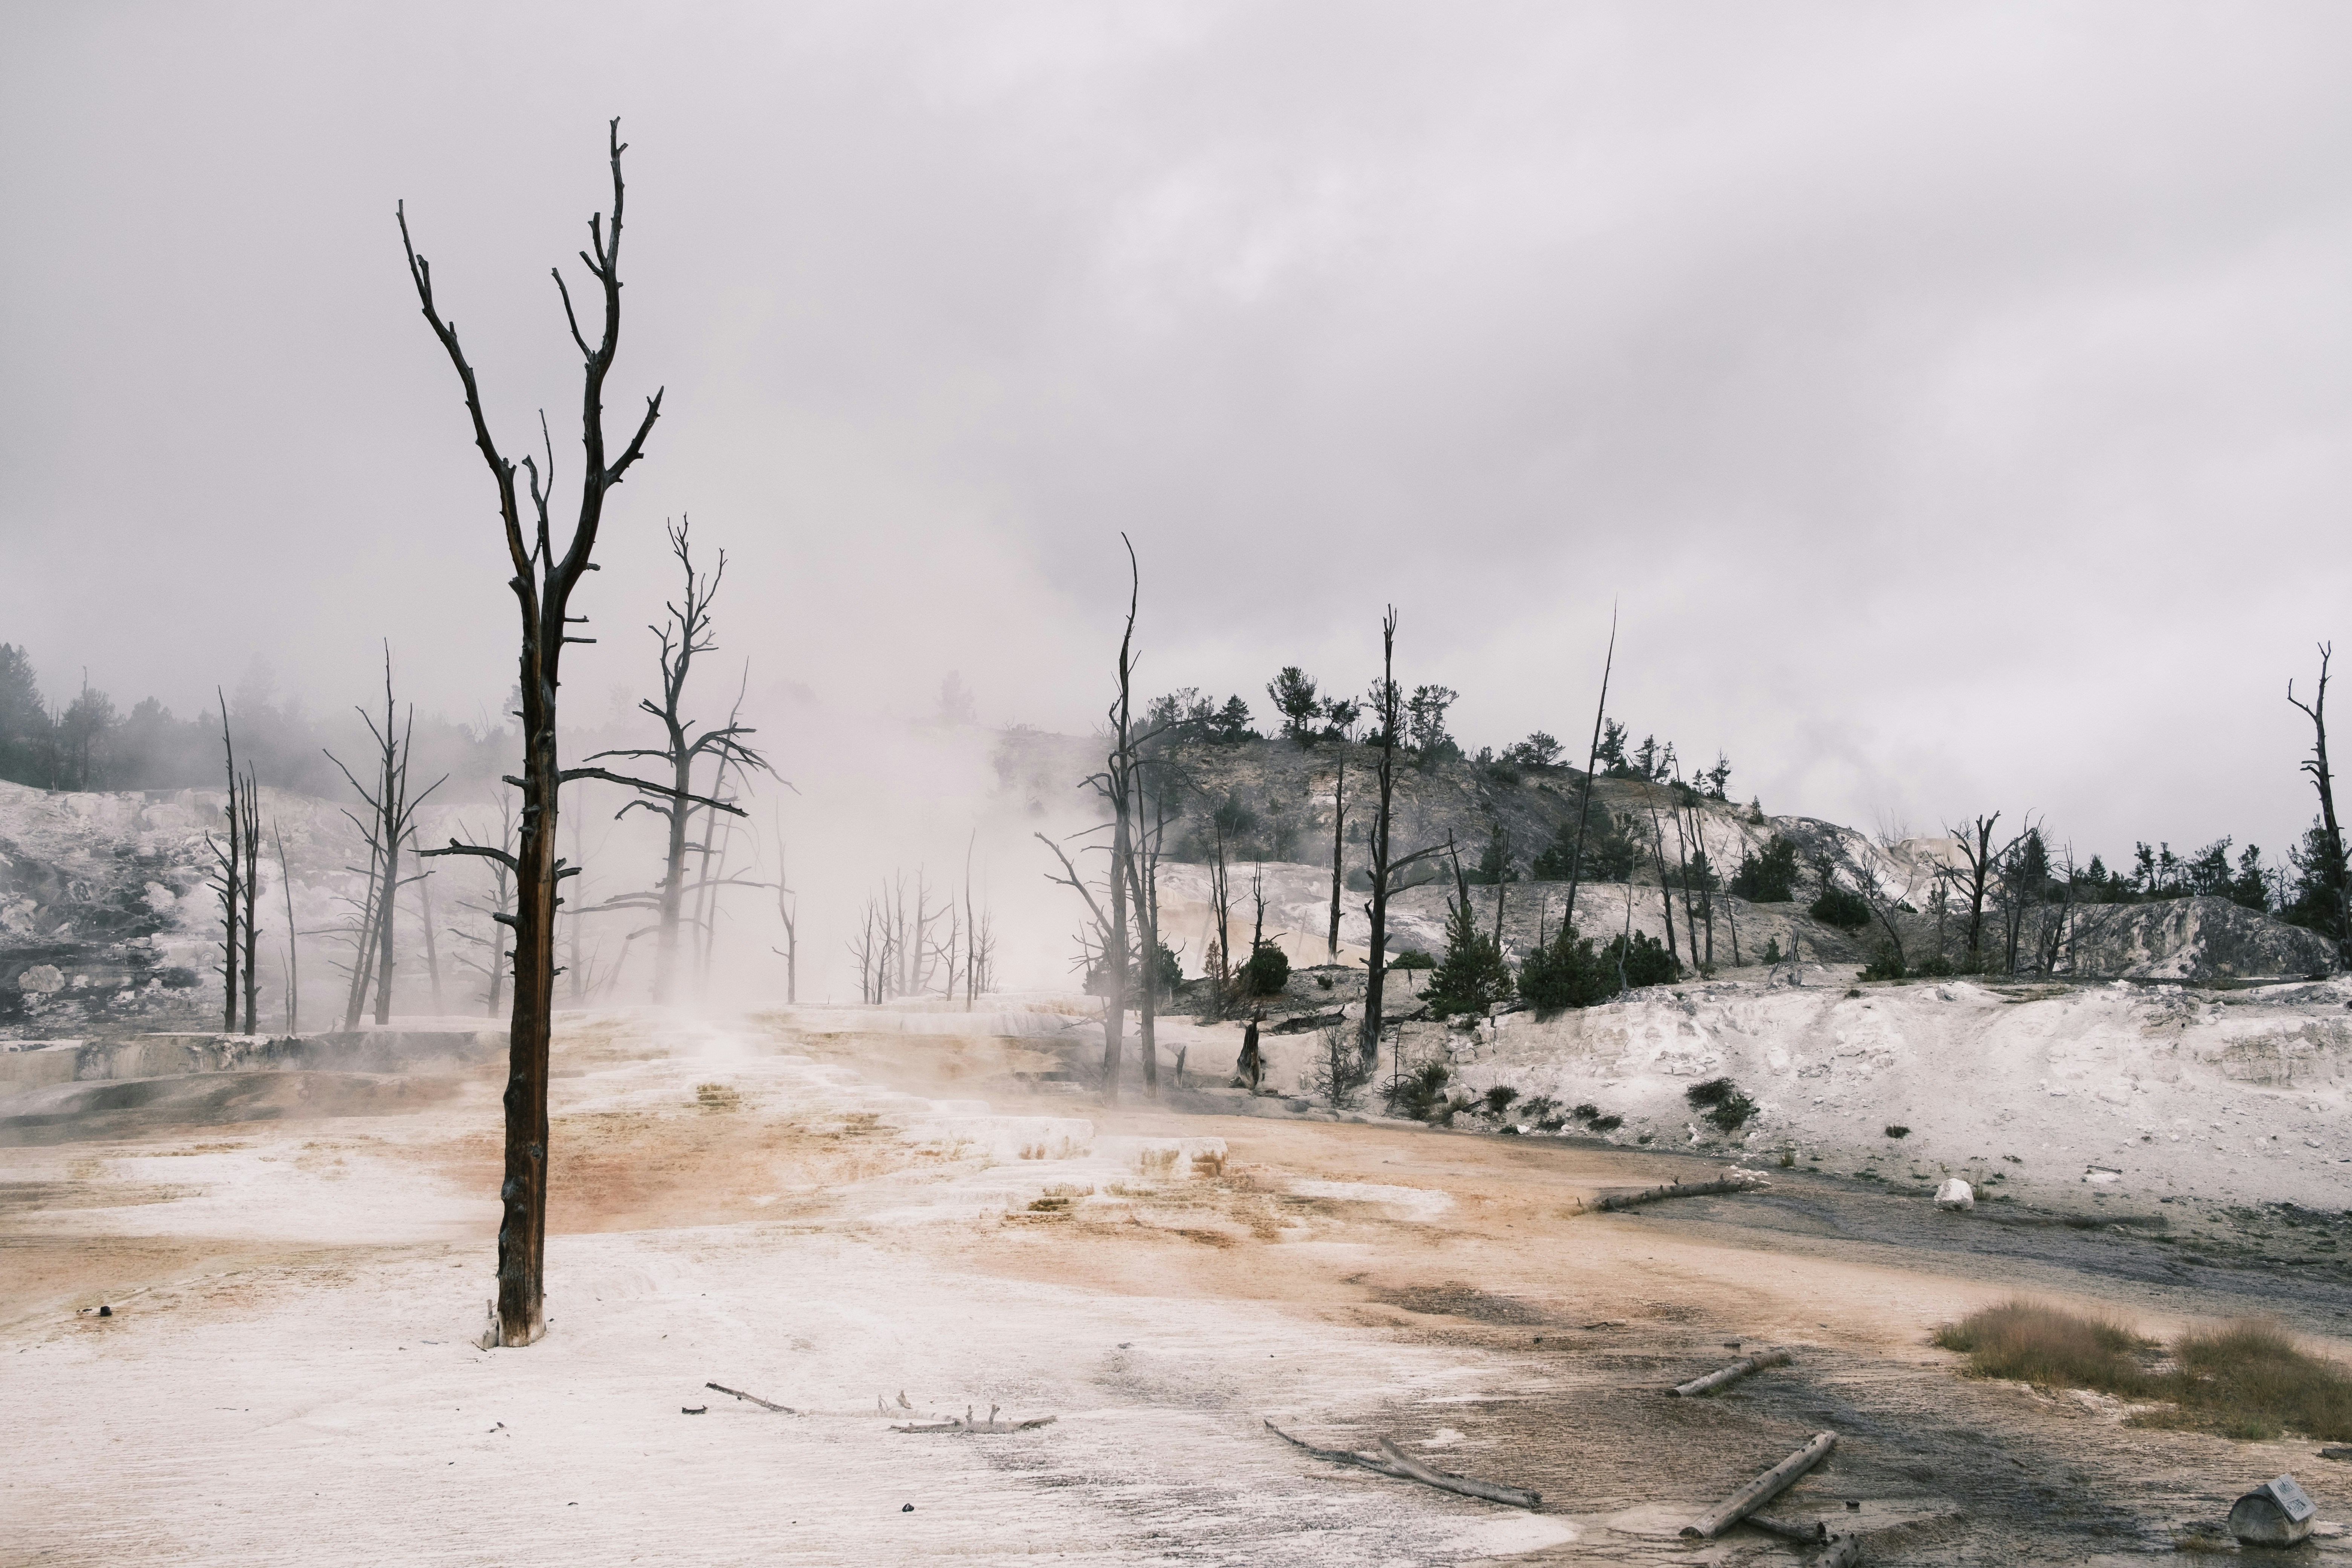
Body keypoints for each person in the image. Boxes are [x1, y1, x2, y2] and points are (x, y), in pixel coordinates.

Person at [1234, 1008, 1264, 1091]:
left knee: (1250, 1059)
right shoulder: (1247, 1050)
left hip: (1250, 1054)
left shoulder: (1249, 1048)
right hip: (1249, 1055)